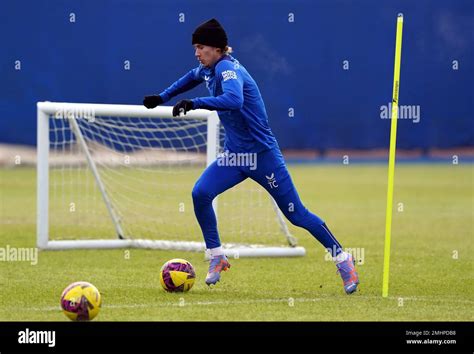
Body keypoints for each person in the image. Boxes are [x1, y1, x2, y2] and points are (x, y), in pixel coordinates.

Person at [143, 18, 359, 294]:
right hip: (235, 157)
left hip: (263, 156)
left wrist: (195, 103)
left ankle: (343, 259)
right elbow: (190, 77)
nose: (197, 53)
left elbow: (235, 101)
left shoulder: (228, 69)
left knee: (297, 215)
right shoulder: (208, 69)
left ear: (218, 48)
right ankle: (217, 256)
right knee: (200, 194)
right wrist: (162, 97)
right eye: (195, 47)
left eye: (201, 47)